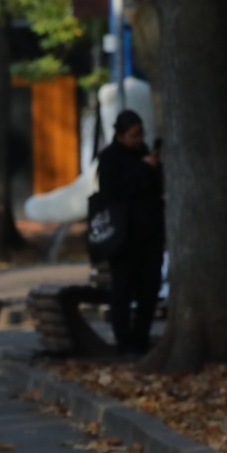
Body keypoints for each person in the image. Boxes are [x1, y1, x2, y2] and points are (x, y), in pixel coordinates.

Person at [97, 110, 165, 356]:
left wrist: (154, 167)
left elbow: (156, 186)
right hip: (124, 237)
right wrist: (142, 170)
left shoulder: (144, 154)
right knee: (123, 291)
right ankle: (124, 342)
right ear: (120, 135)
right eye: (133, 135)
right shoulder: (110, 158)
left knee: (149, 290)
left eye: (140, 135)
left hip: (150, 233)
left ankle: (141, 338)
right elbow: (113, 192)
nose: (138, 140)